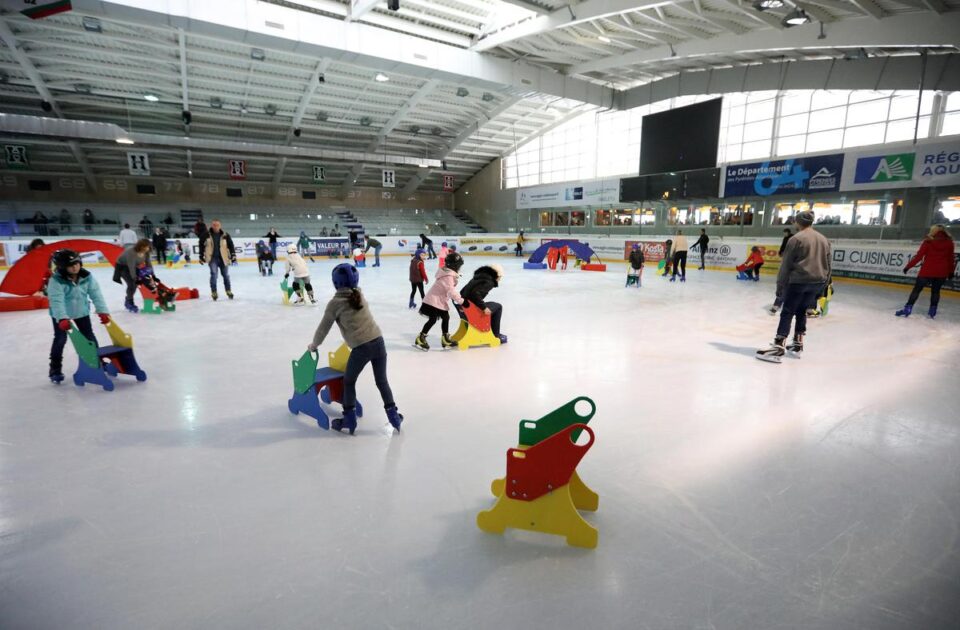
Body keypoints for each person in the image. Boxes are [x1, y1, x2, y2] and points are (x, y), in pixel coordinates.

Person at [306, 263, 403, 434]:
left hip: (361, 348)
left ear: (335, 283)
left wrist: (314, 345)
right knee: (382, 381)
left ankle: (349, 419)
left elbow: (323, 329)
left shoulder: (335, 304)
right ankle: (393, 415)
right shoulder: (359, 295)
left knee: (348, 382)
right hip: (378, 342)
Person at [756, 210, 831, 363]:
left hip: (799, 281)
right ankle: (797, 344)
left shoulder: (796, 239)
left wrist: (780, 285)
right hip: (817, 282)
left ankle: (778, 347)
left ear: (798, 222)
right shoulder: (824, 239)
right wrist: (824, 285)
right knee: (802, 311)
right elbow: (829, 265)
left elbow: (786, 265)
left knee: (788, 312)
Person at [46, 249, 110, 384]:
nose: (75, 267)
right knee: (60, 339)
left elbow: (96, 294)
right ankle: (55, 368)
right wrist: (62, 318)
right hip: (61, 315)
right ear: (62, 267)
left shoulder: (87, 276)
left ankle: (97, 360)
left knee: (89, 336)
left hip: (81, 311)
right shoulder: (56, 281)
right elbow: (57, 301)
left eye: (77, 263)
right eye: (71, 265)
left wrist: (102, 311)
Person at [895, 224, 955, 319]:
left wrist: (908, 267)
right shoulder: (949, 243)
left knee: (916, 290)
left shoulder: (928, 241)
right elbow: (951, 259)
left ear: (933, 231)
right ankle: (932, 312)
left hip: (927, 271)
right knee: (936, 292)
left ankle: (907, 309)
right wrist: (951, 272)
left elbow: (919, 256)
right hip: (941, 272)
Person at [415, 251, 464, 351]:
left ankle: (445, 339)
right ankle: (420, 338)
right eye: (458, 265)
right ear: (454, 266)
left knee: (446, 317)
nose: (459, 268)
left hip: (438, 300)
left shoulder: (448, 273)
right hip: (432, 301)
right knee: (433, 319)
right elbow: (451, 291)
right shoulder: (448, 276)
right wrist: (461, 301)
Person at [459, 263, 506, 344]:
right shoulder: (489, 281)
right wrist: (484, 308)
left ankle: (492, 331)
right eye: (500, 277)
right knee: (498, 307)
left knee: (493, 304)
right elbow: (475, 294)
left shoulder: (479, 277)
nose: (500, 279)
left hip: (465, 308)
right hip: (471, 310)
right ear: (496, 275)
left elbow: (462, 291)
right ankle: (495, 334)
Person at [200, 219, 236, 300]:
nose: (215, 226)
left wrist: (233, 256)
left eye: (217, 225)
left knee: (226, 276)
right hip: (212, 259)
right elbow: (201, 245)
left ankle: (228, 291)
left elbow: (231, 246)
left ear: (220, 226)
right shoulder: (206, 235)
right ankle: (214, 292)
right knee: (214, 275)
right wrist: (201, 256)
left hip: (224, 258)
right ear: (211, 225)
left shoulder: (225, 235)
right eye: (214, 225)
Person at [113, 239, 152, 313]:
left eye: (149, 247)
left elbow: (148, 264)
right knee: (132, 284)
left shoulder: (146, 252)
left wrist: (152, 275)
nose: (148, 248)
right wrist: (135, 278)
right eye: (146, 247)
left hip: (134, 267)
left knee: (142, 282)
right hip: (122, 267)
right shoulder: (131, 252)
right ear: (141, 246)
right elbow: (131, 266)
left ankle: (128, 300)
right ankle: (129, 302)